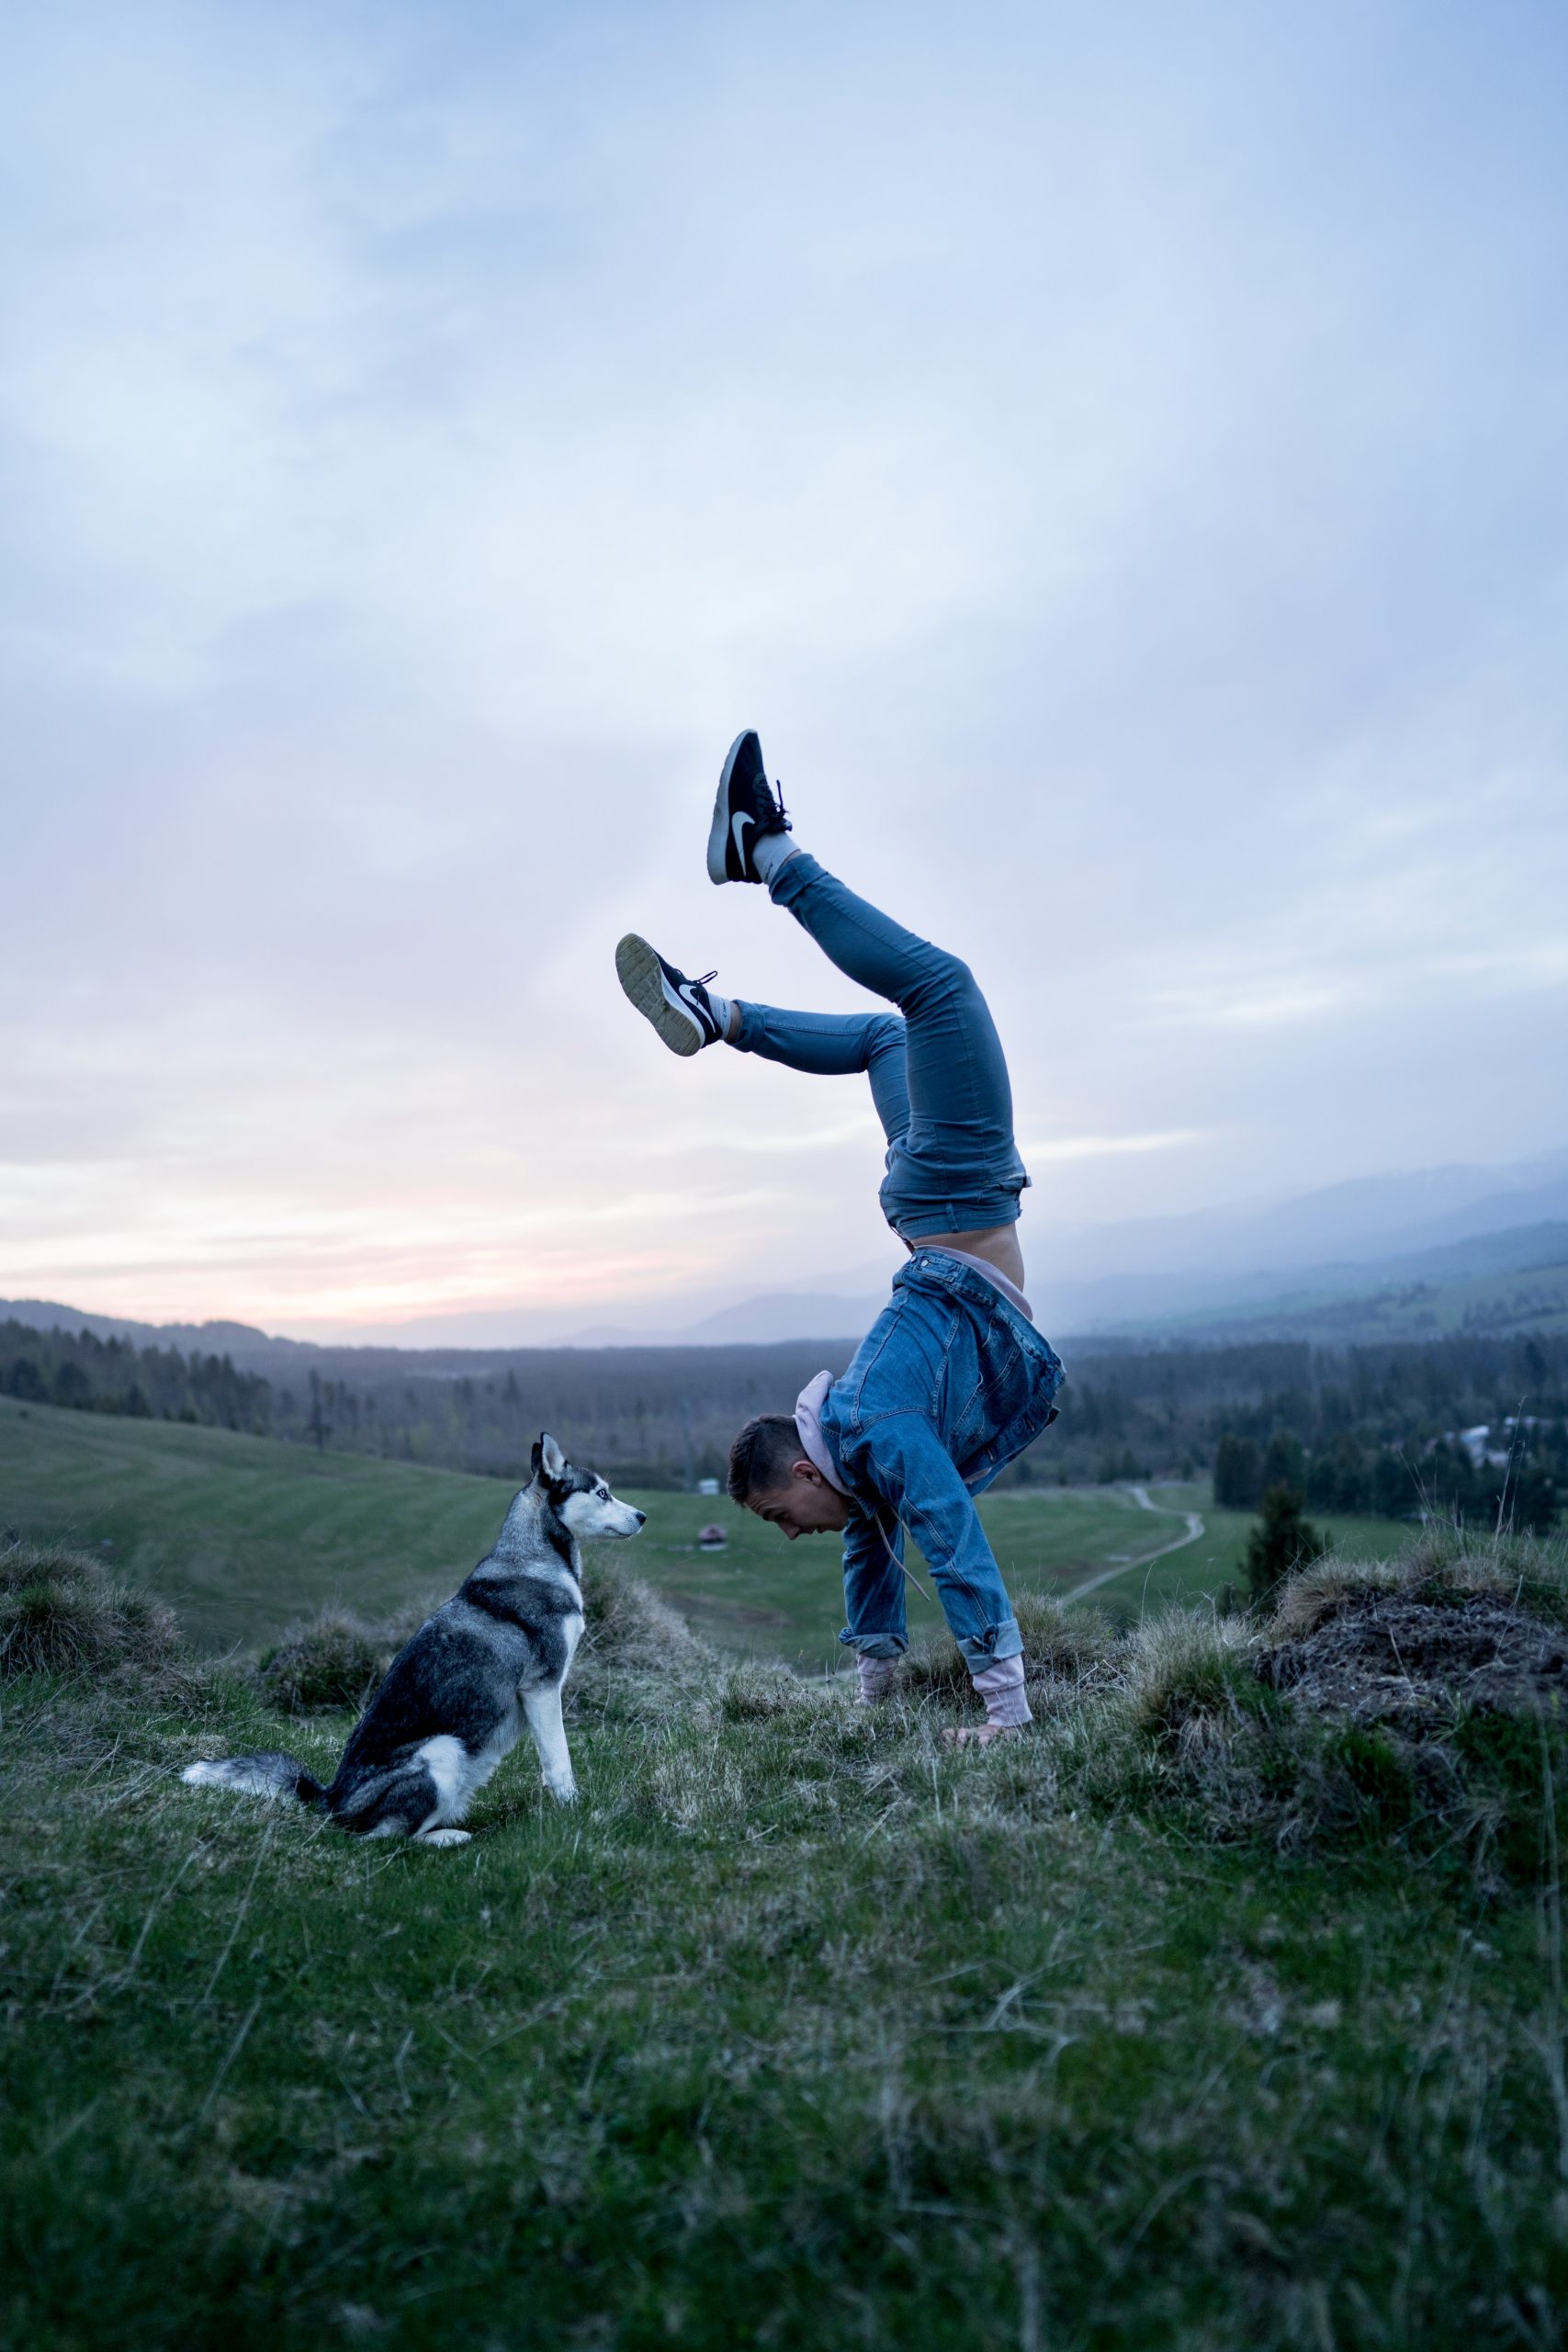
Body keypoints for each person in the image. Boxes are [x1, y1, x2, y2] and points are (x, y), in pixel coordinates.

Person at [615, 730, 1063, 1741]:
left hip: (953, 1201)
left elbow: (946, 1530)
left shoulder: (875, 1429)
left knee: (938, 991)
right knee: (891, 1036)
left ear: (807, 1472)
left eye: (780, 1516)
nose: (789, 1535)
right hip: (928, 1212)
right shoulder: (856, 1457)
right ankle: (716, 1011)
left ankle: (763, 849)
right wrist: (873, 1695)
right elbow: (878, 1540)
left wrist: (1007, 1712)